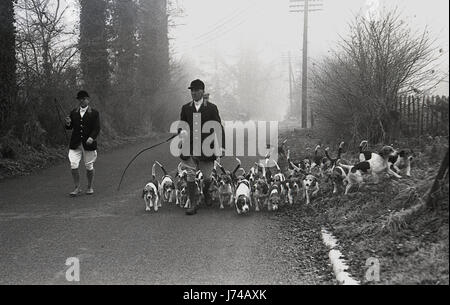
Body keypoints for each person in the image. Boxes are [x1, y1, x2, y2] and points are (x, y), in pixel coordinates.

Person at [179, 79, 225, 215]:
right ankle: (192, 203)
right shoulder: (186, 108)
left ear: (202, 91)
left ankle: (206, 192)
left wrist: (221, 146)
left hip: (207, 148)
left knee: (207, 177)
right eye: (191, 90)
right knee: (191, 175)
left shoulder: (211, 108)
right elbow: (182, 125)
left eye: (196, 90)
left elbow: (218, 127)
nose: (193, 93)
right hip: (190, 147)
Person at [65, 90, 100, 196]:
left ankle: (89, 186)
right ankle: (77, 188)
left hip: (88, 144)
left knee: (89, 166)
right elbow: (70, 127)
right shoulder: (73, 112)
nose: (82, 101)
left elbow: (97, 128)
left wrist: (92, 137)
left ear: (88, 100)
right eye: (80, 99)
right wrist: (67, 123)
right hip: (75, 143)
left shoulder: (94, 113)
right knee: (73, 164)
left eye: (84, 99)